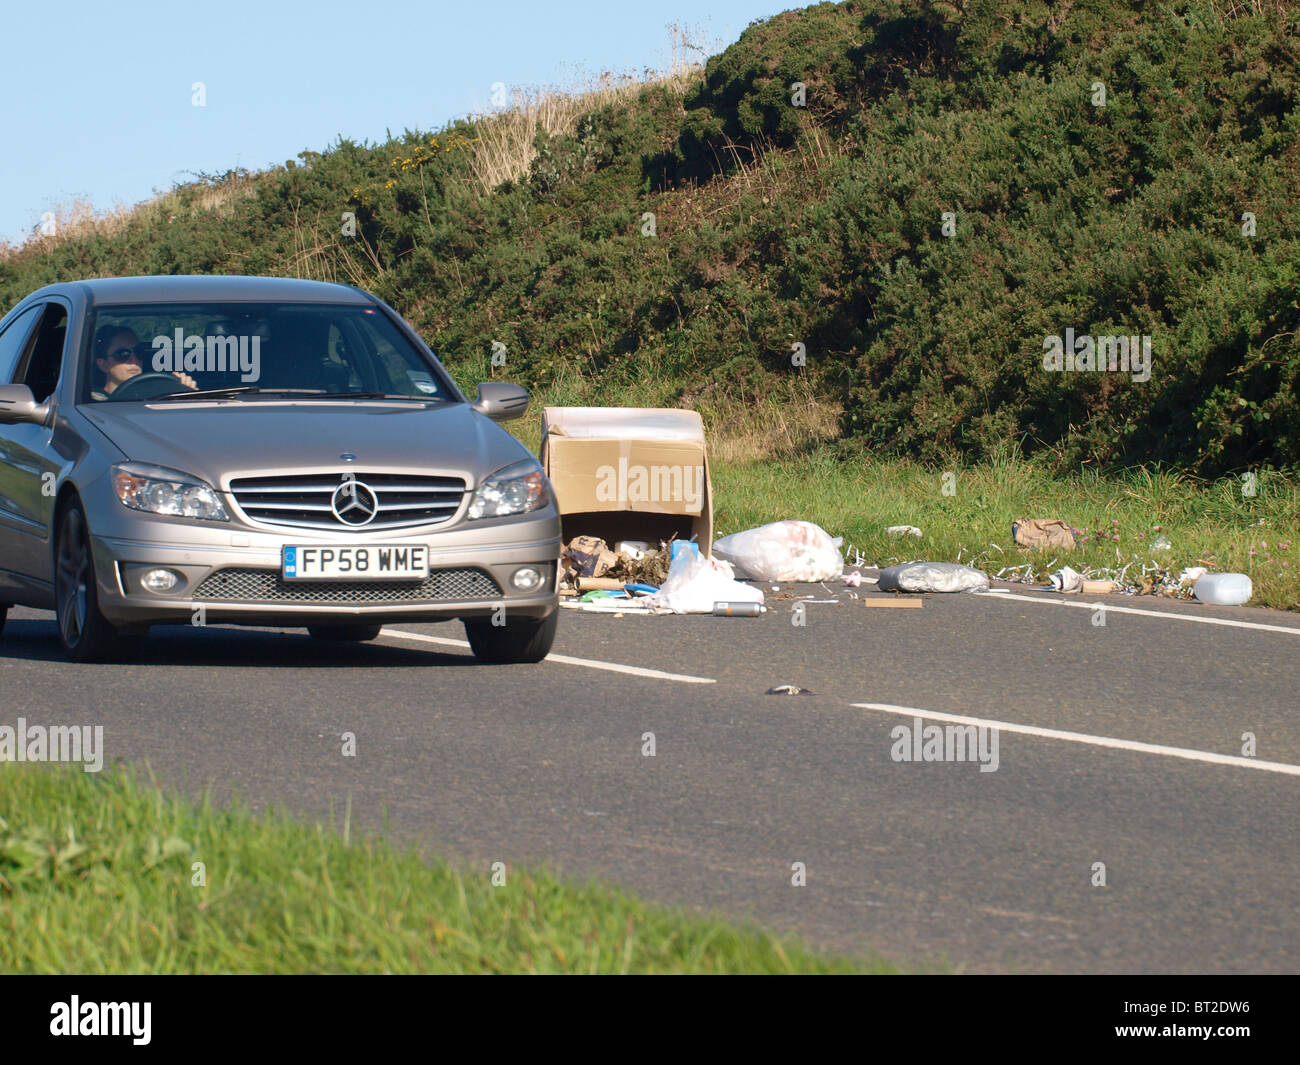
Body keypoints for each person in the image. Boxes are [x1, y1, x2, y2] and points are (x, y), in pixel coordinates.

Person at [91, 327, 197, 399]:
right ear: (103, 365)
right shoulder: (91, 403)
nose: (134, 360)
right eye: (123, 354)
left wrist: (187, 394)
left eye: (138, 352)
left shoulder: (161, 396)